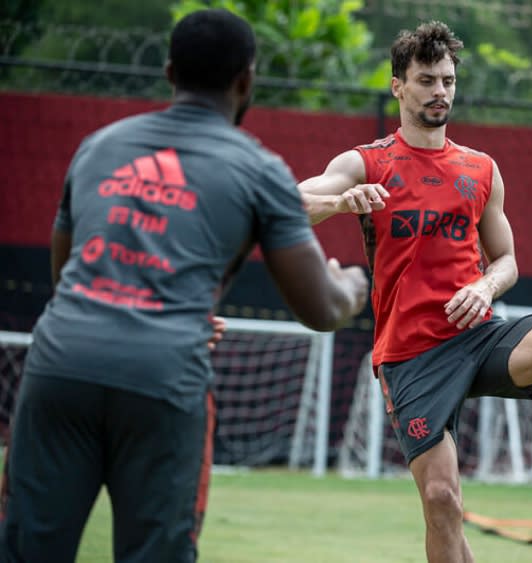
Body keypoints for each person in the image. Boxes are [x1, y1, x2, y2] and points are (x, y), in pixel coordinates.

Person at [298, 20, 532, 563]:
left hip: (478, 335)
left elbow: (507, 261)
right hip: (410, 356)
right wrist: (341, 203)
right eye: (427, 80)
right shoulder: (366, 162)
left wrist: (485, 285)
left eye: (449, 81)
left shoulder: (480, 168)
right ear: (398, 87)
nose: (440, 92)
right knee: (442, 501)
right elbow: (290, 203)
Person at [0, 9, 368, 563]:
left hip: (60, 365)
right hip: (161, 378)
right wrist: (354, 282)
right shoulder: (259, 169)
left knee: (27, 549)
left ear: (169, 71)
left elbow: (67, 279)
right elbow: (321, 309)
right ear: (247, 81)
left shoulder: (98, 147)